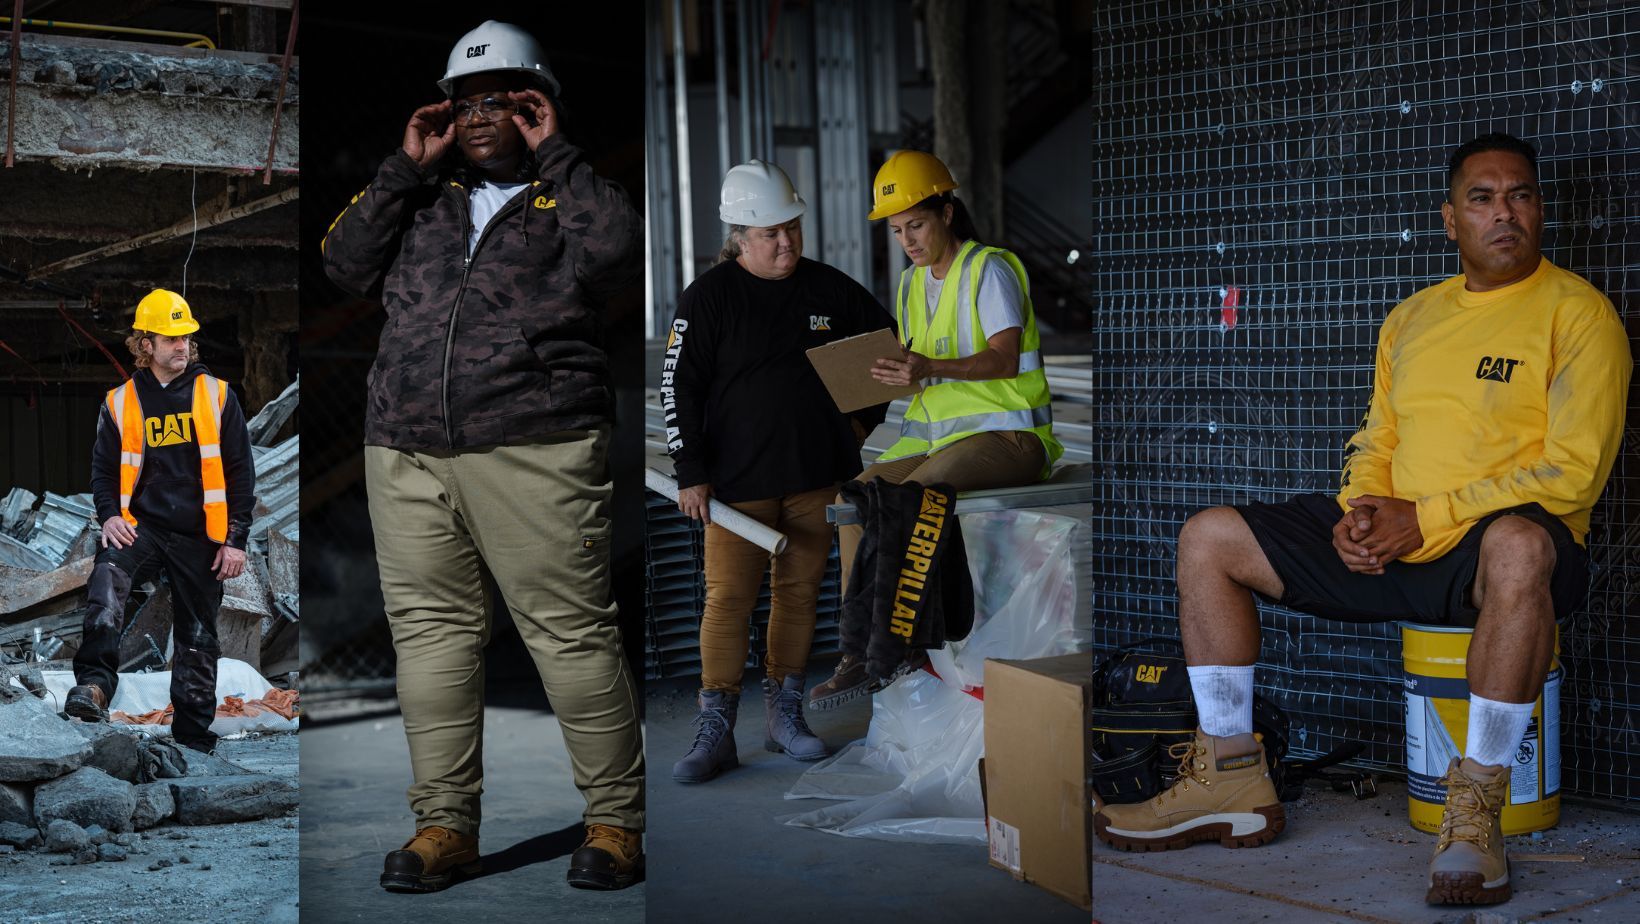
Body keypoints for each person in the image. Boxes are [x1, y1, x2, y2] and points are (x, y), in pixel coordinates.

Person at [1093, 134, 1630, 907]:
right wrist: (1360, 512)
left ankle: (1475, 813)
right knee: (1210, 536)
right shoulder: (1412, 318)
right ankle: (1231, 774)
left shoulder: (1578, 314)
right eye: (1482, 198)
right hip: (1402, 536)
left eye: (1521, 195)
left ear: (1540, 210)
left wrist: (1429, 516)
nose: (1503, 212)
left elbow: (1572, 473)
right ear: (1451, 220)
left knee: (1518, 545)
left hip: (1498, 552)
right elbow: (1378, 437)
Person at [321, 20, 645, 893]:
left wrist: (561, 156)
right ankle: (443, 827)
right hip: (407, 448)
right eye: (465, 100)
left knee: (568, 635)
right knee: (429, 641)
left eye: (499, 97)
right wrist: (404, 166)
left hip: (536, 443)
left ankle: (615, 822)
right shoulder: (421, 195)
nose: (477, 113)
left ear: (535, 103)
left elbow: (617, 255)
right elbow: (344, 264)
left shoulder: (569, 194)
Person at [807, 149, 1064, 709]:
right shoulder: (909, 285)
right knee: (855, 500)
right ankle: (859, 650)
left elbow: (1002, 359)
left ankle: (900, 645)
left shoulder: (988, 269)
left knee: (913, 498)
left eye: (916, 224)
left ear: (947, 211)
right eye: (898, 231)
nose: (909, 240)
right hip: (939, 438)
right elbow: (918, 368)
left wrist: (927, 367)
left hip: (1009, 437)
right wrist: (884, 375)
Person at [665, 159, 895, 784]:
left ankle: (785, 715)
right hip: (736, 486)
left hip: (816, 474)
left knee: (797, 598)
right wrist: (691, 470)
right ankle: (716, 728)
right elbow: (678, 386)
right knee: (729, 601)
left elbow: (885, 344)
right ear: (739, 235)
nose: (786, 241)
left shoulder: (830, 289)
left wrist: (862, 421)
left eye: (792, 226)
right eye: (770, 232)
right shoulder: (708, 299)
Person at [66, 288, 255, 758]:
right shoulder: (121, 402)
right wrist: (109, 516)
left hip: (201, 533)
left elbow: (240, 473)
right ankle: (93, 688)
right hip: (143, 527)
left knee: (197, 633)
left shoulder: (217, 396)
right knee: (107, 581)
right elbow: (104, 471)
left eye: (186, 337)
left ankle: (192, 738)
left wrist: (235, 540)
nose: (182, 346)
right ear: (145, 343)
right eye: (170, 338)